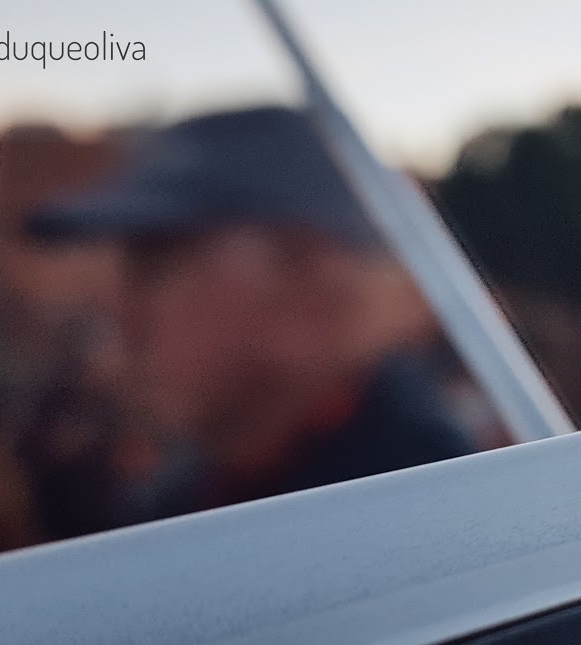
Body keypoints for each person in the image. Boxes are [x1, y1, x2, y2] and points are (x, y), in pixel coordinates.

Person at [29, 106, 476, 524]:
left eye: (156, 261)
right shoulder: (203, 492)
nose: (118, 312)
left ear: (307, 282)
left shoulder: (431, 517)